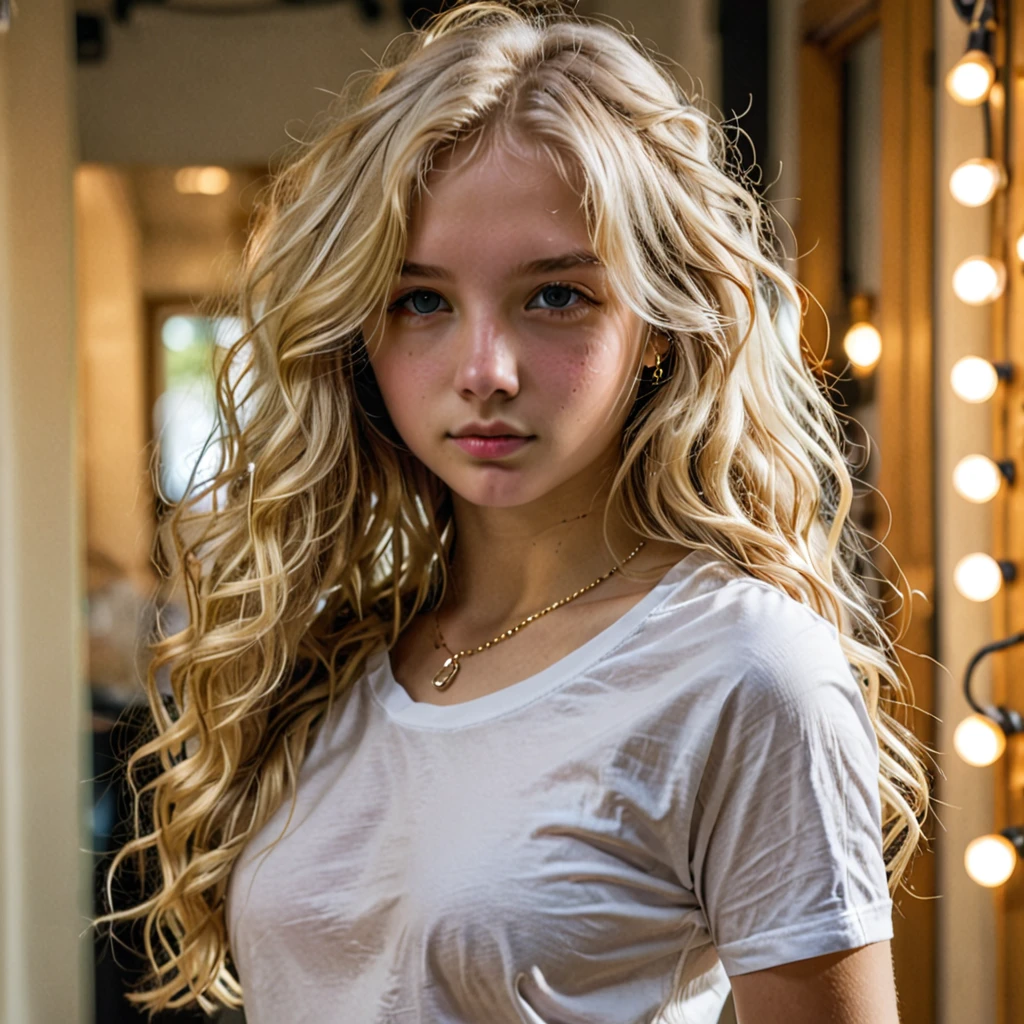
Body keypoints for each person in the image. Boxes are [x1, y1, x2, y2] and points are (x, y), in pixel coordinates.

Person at [93, 3, 933, 1022]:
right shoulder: (338, 658)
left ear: (660, 324)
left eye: (555, 297)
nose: (483, 372)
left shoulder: (744, 671)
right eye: (422, 302)